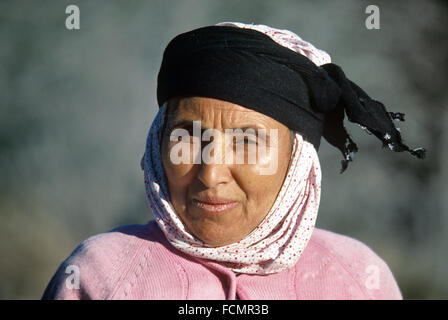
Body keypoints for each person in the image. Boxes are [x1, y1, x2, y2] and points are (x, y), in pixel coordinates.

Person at [42, 22, 425, 300]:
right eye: (187, 137)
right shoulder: (100, 274)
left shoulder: (357, 277)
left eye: (247, 141)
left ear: (297, 160)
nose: (210, 173)